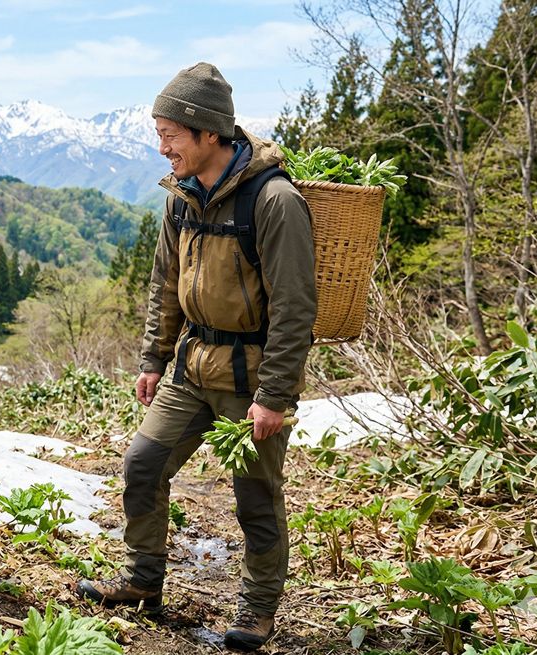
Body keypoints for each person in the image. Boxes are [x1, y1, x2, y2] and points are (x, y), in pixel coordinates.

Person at [77, 62, 316, 651]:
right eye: (158, 135)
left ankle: (258, 610)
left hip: (250, 375)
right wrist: (153, 359)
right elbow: (165, 284)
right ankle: (141, 582)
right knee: (142, 466)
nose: (162, 149)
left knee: (255, 495)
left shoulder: (274, 200)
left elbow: (295, 307)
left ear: (210, 133)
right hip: (190, 366)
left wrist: (275, 396)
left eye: (171, 136)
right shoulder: (181, 198)